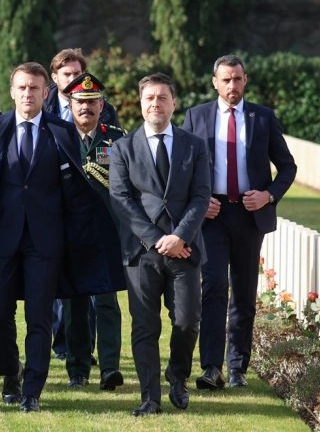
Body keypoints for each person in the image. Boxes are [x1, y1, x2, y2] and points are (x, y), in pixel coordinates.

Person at [0, 62, 124, 413]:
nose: (28, 94)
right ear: (12, 91)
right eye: (22, 88)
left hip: (46, 243)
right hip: (2, 240)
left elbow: (75, 189)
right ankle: (10, 374)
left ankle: (32, 387)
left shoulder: (61, 131)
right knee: (0, 313)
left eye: (35, 88)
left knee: (40, 317)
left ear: (46, 93)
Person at [181, 54, 297, 390]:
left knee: (244, 293)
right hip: (212, 216)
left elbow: (287, 167)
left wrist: (268, 195)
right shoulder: (196, 117)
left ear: (245, 80)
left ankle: (237, 367)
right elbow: (183, 169)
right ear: (215, 82)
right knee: (214, 286)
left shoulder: (263, 118)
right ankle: (211, 368)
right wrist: (199, 204)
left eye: (238, 79)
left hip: (249, 215)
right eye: (226, 80)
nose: (232, 86)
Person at [109, 72, 211, 416]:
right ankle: (150, 396)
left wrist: (180, 236)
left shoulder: (194, 145)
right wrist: (157, 240)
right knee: (145, 326)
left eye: (162, 97)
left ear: (174, 103)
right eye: (149, 97)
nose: (156, 103)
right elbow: (122, 200)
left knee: (187, 321)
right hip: (142, 253)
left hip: (185, 248)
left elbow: (200, 196)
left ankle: (177, 377)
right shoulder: (123, 148)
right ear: (140, 103)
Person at [60, 72, 126, 390]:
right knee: (74, 306)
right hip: (70, 235)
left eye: (91, 102)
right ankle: (78, 369)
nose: (85, 107)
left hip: (106, 235)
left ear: (101, 106)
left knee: (106, 303)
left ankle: (110, 368)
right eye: (79, 102)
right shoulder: (58, 138)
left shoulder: (117, 140)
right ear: (70, 104)